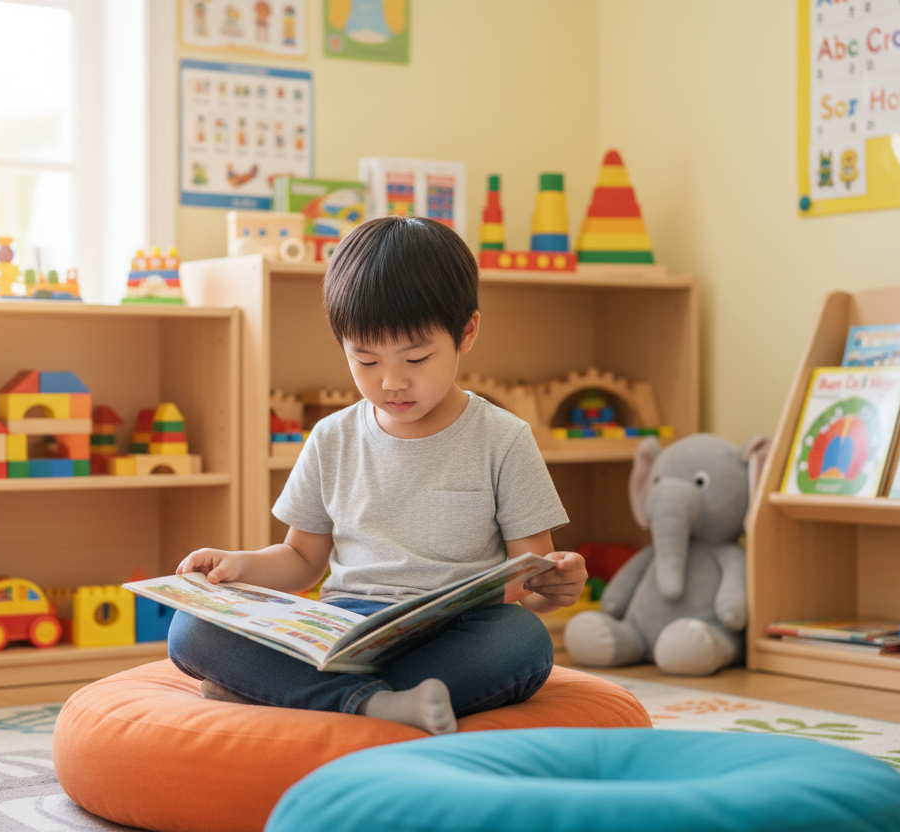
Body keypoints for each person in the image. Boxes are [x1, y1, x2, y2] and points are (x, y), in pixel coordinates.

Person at [168, 215, 587, 734]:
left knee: (521, 640)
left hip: (449, 635)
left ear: (467, 332)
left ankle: (308, 695)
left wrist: (557, 587)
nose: (391, 381)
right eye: (364, 360)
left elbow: (528, 577)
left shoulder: (503, 439)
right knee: (193, 629)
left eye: (417, 357)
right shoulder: (331, 437)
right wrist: (238, 566)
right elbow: (302, 561)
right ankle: (374, 702)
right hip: (343, 630)